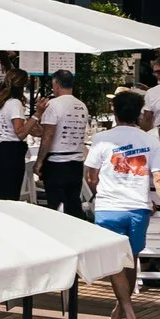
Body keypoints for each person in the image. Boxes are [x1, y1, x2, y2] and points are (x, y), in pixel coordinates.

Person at [84, 89, 160, 319]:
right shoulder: (150, 140)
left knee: (115, 262)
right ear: (139, 113)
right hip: (138, 207)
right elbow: (159, 177)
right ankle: (118, 312)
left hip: (109, 207)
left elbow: (90, 175)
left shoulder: (102, 138)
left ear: (114, 111)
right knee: (130, 259)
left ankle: (130, 315)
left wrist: (99, 190)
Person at [35, 70, 92, 217]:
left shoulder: (52, 105)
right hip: (77, 161)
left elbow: (48, 135)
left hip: (56, 161)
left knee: (56, 205)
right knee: (73, 202)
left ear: (56, 84)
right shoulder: (82, 105)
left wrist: (39, 161)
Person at [0, 71, 30, 200]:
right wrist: (36, 117)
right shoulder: (15, 103)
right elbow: (20, 133)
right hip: (11, 152)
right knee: (9, 194)